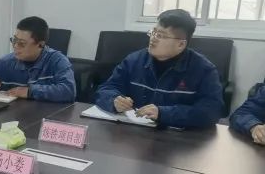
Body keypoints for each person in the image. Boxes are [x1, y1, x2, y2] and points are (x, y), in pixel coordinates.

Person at [94, 8, 223, 128]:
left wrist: (163, 113)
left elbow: (212, 111)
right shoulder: (134, 60)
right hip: (134, 131)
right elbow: (106, 88)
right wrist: (113, 100)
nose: (153, 39)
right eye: (153, 32)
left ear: (180, 44)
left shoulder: (203, 70)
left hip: (178, 137)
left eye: (161, 36)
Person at [0, 16, 76, 102]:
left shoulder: (57, 61)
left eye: (22, 43)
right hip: (14, 115)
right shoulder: (7, 61)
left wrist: (30, 91)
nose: (15, 46)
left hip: (47, 115)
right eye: (14, 40)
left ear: (40, 44)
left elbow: (68, 91)